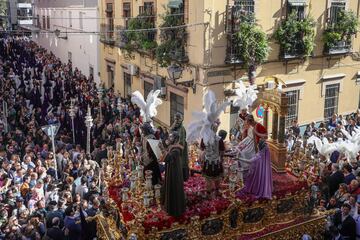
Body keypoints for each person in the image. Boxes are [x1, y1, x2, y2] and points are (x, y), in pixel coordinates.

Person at [161, 132, 186, 217]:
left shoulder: (176, 149)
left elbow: (168, 158)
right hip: (171, 169)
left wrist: (162, 149)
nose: (169, 138)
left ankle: (175, 209)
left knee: (174, 187)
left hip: (174, 172)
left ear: (175, 139)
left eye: (171, 137)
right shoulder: (173, 147)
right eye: (169, 136)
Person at [170, 113, 189, 181]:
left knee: (182, 164)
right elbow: (170, 132)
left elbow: (181, 144)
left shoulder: (182, 129)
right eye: (175, 119)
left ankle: (183, 179)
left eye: (178, 119)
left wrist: (173, 146)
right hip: (176, 148)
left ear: (181, 120)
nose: (176, 121)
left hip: (180, 150)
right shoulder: (176, 127)